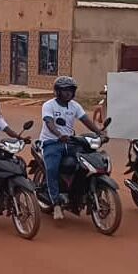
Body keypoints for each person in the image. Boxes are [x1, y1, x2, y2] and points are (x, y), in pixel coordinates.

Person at [39, 76, 106, 220]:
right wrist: (58, 134)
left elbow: (86, 120)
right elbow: (49, 123)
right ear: (57, 91)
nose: (68, 93)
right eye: (65, 90)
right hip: (51, 142)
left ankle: (77, 193)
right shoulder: (48, 105)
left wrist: (100, 133)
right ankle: (56, 204)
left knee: (87, 161)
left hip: (69, 142)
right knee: (52, 169)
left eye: (70, 90)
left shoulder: (74, 106)